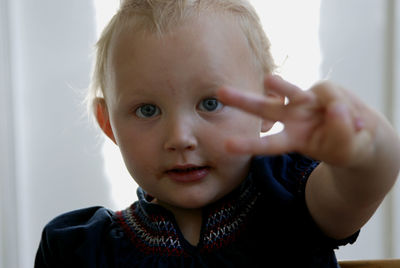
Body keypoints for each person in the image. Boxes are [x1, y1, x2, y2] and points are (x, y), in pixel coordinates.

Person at [35, 0, 400, 267]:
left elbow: (359, 186)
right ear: (108, 124)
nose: (180, 137)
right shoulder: (79, 249)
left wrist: (365, 148)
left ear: (267, 102)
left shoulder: (292, 197)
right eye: (147, 110)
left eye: (210, 104)